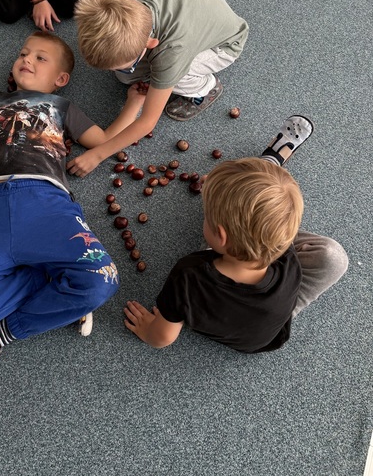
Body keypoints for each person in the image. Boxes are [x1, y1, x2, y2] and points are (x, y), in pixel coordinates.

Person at [0, 32, 147, 390]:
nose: (27, 59)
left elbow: (105, 142)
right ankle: (52, 277)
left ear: (61, 79)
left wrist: (132, 104)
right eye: (24, 53)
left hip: (46, 204)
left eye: (41, 58)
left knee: (102, 280)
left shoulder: (61, 106)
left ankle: (2, 333)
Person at [123, 116, 348, 352]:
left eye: (207, 214)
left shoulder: (189, 275)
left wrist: (148, 330)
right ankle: (269, 167)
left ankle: (267, 165)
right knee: (333, 258)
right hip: (265, 336)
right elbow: (263, 225)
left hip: (221, 321)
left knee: (251, 216)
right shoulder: (289, 262)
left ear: (221, 236)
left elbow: (162, 338)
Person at [68, 0, 249, 177]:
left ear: (150, 43)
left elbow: (147, 121)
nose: (113, 71)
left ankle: (205, 88)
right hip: (194, 18)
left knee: (174, 75)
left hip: (225, 44)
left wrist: (97, 155)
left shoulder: (171, 53)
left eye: (125, 65)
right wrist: (127, 67)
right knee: (125, 77)